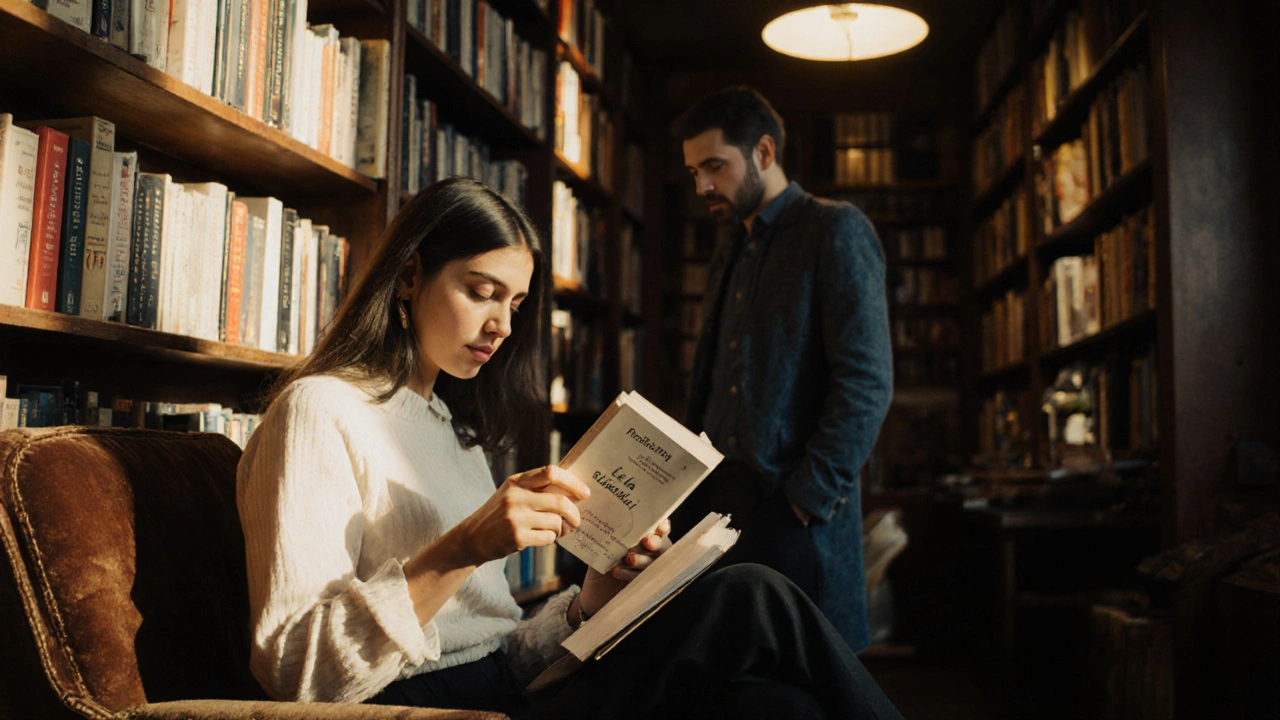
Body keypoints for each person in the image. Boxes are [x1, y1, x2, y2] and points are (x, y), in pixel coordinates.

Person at [236, 177, 902, 719]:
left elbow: (503, 649)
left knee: (777, 707)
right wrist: (462, 548)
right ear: (409, 276)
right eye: (481, 291)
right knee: (752, 593)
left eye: (516, 303)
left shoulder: (450, 427)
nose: (501, 325)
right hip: (422, 706)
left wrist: (595, 598)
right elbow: (295, 670)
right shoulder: (319, 410)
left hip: (507, 690)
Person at [672, 86, 894, 653]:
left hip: (795, 515)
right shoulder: (730, 246)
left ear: (764, 153)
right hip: (716, 511)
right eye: (695, 170)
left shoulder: (835, 230)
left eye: (715, 167)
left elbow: (866, 383)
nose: (702, 186)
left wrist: (804, 499)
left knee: (807, 688)